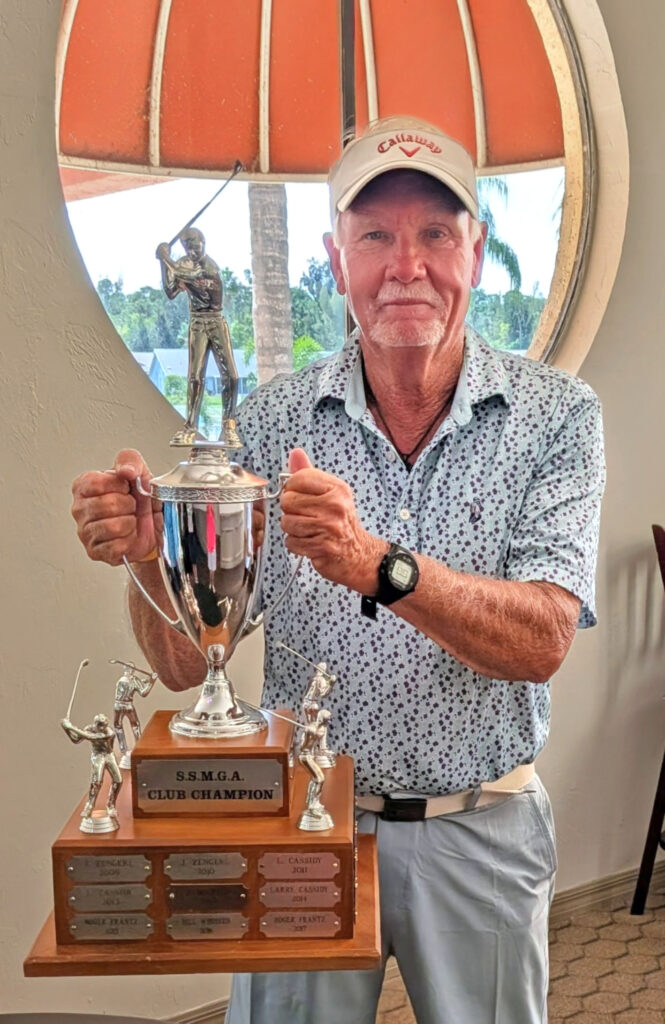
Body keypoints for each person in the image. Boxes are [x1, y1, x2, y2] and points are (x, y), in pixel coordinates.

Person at [71, 115, 605, 1023]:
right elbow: (183, 664)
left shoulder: (556, 416)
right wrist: (149, 556)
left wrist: (375, 565)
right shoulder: (273, 421)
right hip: (302, 826)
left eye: (435, 233)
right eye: (374, 237)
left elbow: (541, 640)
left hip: (481, 825)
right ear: (336, 258)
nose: (407, 266)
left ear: (475, 253)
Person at [156, 227, 240, 446]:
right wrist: (162, 265)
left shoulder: (210, 267)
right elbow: (171, 291)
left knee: (231, 376)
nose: (192, 252)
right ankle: (190, 427)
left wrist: (165, 258)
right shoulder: (183, 263)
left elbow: (187, 276)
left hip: (215, 320)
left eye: (195, 247)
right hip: (197, 322)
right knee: (194, 377)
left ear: (203, 243)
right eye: (188, 248)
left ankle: (229, 425)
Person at [60, 713, 123, 828]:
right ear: (95, 724)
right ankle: (89, 806)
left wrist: (71, 727)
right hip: (97, 755)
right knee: (96, 781)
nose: (102, 728)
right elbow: (76, 740)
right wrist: (66, 729)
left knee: (118, 780)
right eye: (100, 725)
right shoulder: (89, 729)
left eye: (104, 725)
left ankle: (110, 804)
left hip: (109, 755)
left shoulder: (109, 732)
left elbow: (92, 737)